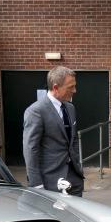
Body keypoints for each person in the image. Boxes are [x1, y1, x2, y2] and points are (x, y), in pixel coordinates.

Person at [23, 66, 84, 195]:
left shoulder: (70, 108)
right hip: (50, 181)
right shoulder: (36, 111)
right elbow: (30, 149)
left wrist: (77, 165)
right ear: (56, 87)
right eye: (70, 87)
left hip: (75, 179)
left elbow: (73, 140)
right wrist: (36, 184)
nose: (75, 90)